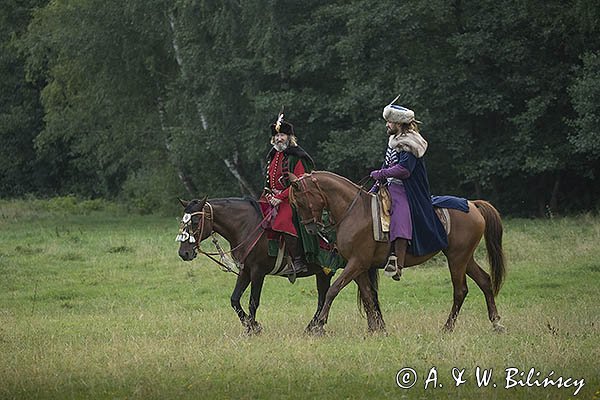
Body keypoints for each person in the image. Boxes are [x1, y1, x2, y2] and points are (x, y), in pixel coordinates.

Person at [369, 98, 447, 280]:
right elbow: (386, 167)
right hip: (390, 185)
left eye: (389, 122)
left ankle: (398, 261)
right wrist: (374, 187)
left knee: (400, 212)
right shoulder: (394, 140)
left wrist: (380, 173)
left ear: (398, 123)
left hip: (407, 189)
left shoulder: (411, 142)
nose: (387, 125)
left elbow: (404, 170)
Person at [259, 109, 315, 277]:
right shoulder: (273, 155)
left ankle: (298, 261)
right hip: (273, 198)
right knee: (255, 214)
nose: (279, 138)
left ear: (289, 137)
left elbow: (300, 183)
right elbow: (268, 181)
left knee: (283, 220)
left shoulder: (297, 156)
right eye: (276, 136)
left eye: (282, 135)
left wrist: (280, 197)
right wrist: (269, 195)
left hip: (294, 198)